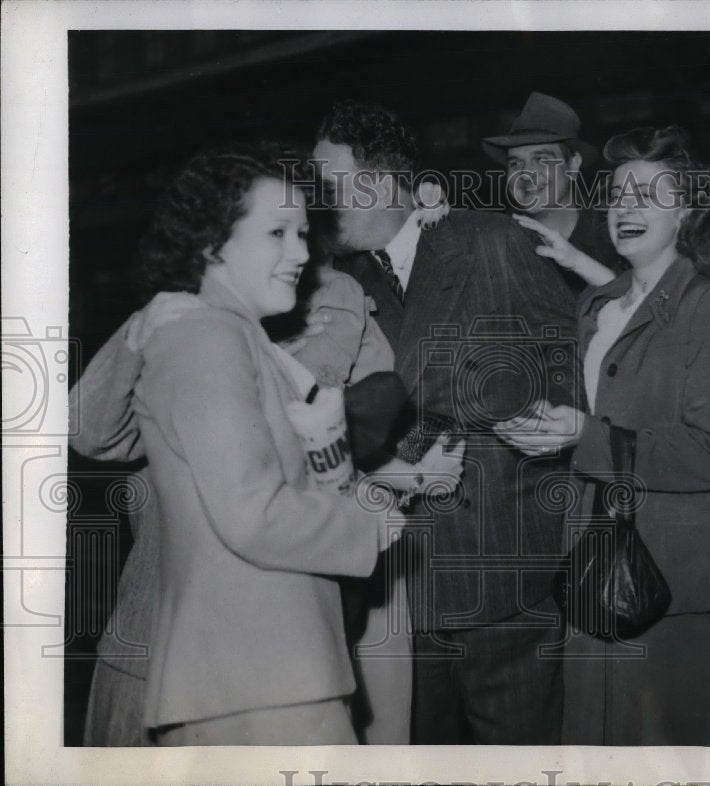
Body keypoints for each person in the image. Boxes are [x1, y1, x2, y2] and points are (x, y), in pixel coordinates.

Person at [70, 141, 462, 746]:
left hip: (263, 659)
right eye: (277, 233)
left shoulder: (241, 333)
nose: (301, 254)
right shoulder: (203, 336)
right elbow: (249, 508)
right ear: (210, 242)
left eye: (303, 232)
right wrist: (364, 520)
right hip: (256, 666)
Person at [315, 99, 579, 744]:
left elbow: (575, 360)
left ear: (378, 183)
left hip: (501, 567)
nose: (313, 202)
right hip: (393, 579)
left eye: (327, 183)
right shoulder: (328, 284)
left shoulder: (494, 242)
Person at [495, 126, 710, 746]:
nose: (625, 207)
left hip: (673, 575)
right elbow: (598, 420)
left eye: (647, 194)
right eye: (616, 194)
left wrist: (582, 435)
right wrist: (546, 430)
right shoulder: (599, 306)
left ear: (686, 210)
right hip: (590, 560)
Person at [481, 91, 626, 290]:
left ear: (573, 164)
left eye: (541, 159)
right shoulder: (495, 242)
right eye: (515, 163)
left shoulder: (615, 238)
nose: (527, 173)